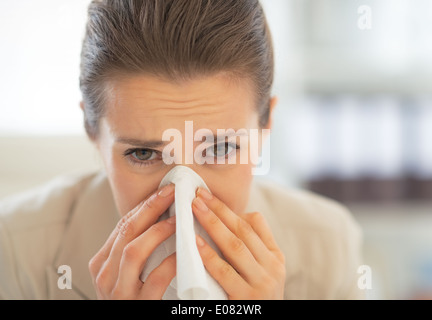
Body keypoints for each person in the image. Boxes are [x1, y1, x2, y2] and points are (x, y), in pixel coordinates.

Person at [0, 0, 364, 300]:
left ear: (265, 126)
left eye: (220, 148)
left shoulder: (328, 246)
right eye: (143, 153)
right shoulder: (16, 250)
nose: (184, 198)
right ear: (92, 131)